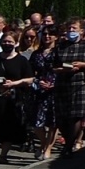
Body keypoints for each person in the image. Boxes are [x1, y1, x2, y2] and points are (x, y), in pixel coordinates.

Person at [0, 30, 33, 163]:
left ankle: (3, 155)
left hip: (12, 98)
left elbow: (29, 79)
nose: (7, 44)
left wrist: (14, 83)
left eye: (10, 41)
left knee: (8, 127)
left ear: (16, 43)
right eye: (4, 41)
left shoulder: (21, 60)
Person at [53, 19, 85, 155]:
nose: (71, 31)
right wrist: (62, 69)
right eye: (69, 29)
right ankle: (68, 140)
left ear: (81, 31)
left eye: (74, 28)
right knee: (62, 117)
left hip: (81, 83)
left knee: (77, 115)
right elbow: (53, 65)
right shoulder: (61, 46)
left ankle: (68, 145)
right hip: (63, 83)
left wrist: (82, 65)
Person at [26, 27, 61, 160]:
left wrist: (54, 84)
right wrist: (37, 81)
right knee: (36, 122)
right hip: (39, 90)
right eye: (45, 34)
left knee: (53, 122)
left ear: (56, 36)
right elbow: (31, 71)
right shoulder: (37, 53)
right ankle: (44, 142)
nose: (47, 36)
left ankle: (48, 148)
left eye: (50, 34)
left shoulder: (59, 52)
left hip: (55, 89)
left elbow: (64, 69)